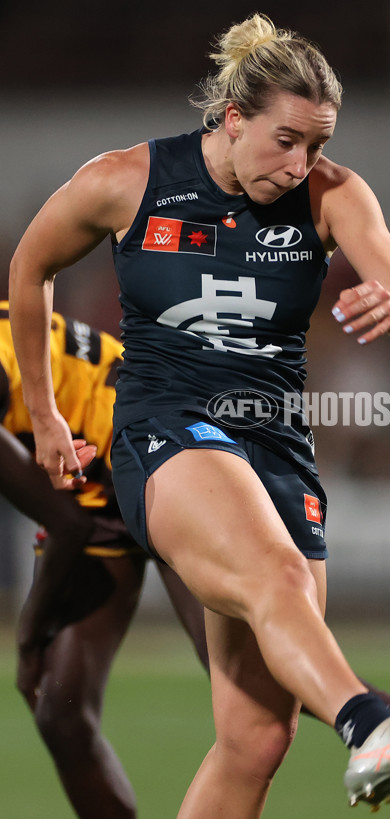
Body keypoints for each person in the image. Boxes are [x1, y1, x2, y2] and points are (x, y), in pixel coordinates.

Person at [8, 13, 390, 818]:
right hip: (167, 426)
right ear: (233, 119)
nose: (302, 162)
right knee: (279, 577)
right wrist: (45, 413)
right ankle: (376, 727)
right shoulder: (128, 180)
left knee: (257, 739)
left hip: (278, 448)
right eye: (287, 140)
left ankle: (381, 730)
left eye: (319, 142)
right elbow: (31, 265)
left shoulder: (335, 194)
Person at [0, 303, 210, 818]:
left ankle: (386, 722)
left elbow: (67, 526)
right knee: (61, 715)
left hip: (150, 445)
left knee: (242, 676)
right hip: (97, 480)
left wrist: (29, 641)